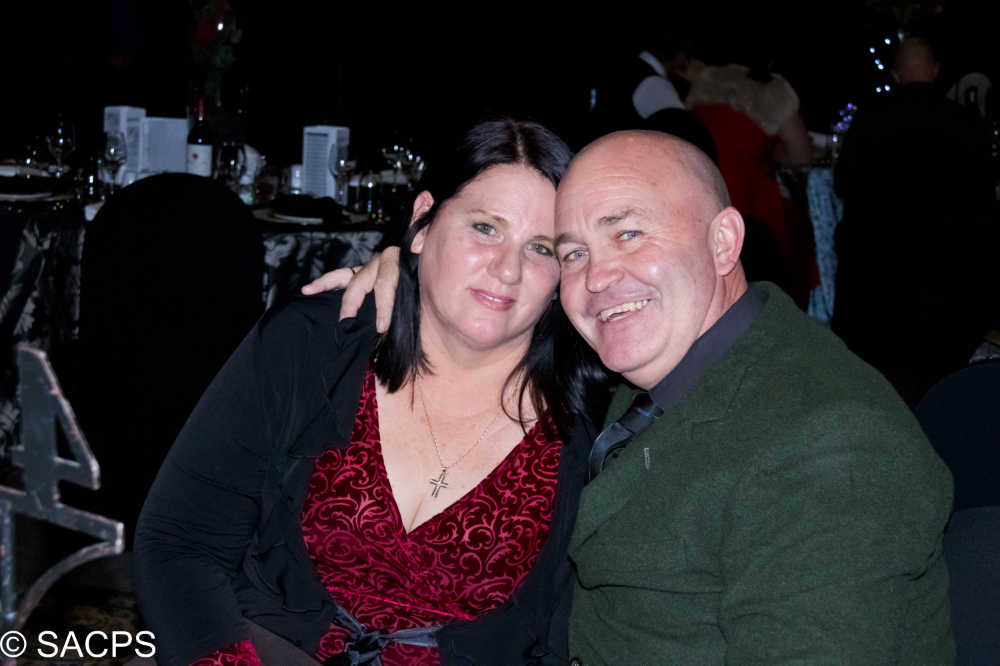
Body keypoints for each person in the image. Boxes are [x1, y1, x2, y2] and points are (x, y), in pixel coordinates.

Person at [315, 130, 954, 665]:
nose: (597, 278)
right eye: (572, 253)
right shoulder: (645, 370)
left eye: (628, 235)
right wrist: (405, 274)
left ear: (724, 243)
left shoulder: (829, 443)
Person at [132, 119, 608, 666]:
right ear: (424, 221)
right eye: (485, 228)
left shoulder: (589, 425)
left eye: (541, 248)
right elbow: (179, 544)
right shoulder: (312, 345)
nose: (507, 269)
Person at [832, 37, 998, 405]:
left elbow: (842, 184)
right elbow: (985, 199)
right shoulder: (967, 123)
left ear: (895, 74)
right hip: (953, 272)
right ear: (935, 70)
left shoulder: (871, 119)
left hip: (880, 270)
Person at [685, 41, 817, 309]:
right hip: (748, 194)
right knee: (798, 234)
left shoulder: (705, 81)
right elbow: (802, 156)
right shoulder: (772, 89)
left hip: (699, 187)